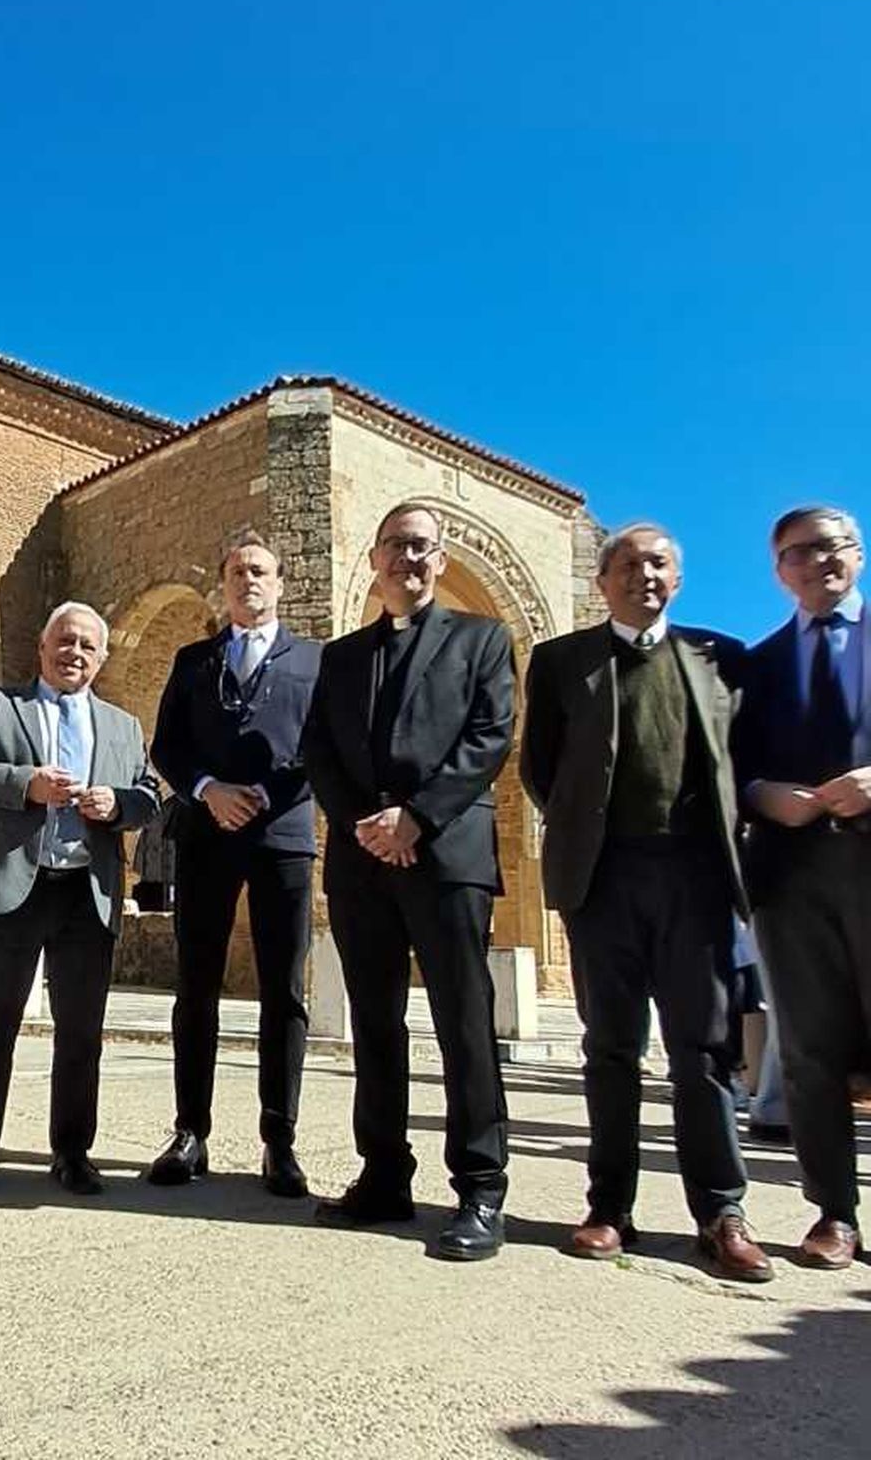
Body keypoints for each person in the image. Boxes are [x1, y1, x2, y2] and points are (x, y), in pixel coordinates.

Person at [521, 524, 772, 1281]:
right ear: (602, 583)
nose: (644, 575)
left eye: (658, 562)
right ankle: (609, 1208)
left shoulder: (721, 657)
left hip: (695, 881)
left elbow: (744, 765)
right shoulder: (562, 662)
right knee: (611, 1050)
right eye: (627, 565)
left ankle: (721, 1212)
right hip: (605, 883)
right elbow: (541, 770)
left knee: (703, 1052)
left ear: (679, 576)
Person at [301, 503, 514, 1260]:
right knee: (376, 1023)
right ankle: (384, 1174)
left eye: (421, 547)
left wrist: (415, 818)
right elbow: (318, 747)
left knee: (464, 1021)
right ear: (374, 560)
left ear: (441, 557)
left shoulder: (482, 640)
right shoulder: (342, 655)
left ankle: (481, 1189)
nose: (408, 560)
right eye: (395, 546)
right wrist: (367, 822)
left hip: (448, 854)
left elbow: (490, 736)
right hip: (364, 861)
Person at [0, 602, 158, 1194]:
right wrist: (24, 784)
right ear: (42, 648)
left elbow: (147, 793)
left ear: (102, 658)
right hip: (14, 887)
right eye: (65, 641)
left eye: (88, 646)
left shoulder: (121, 726)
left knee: (82, 1032)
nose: (75, 653)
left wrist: (118, 805)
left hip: (87, 894)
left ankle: (71, 1153)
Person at [148, 533, 322, 1195]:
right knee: (196, 984)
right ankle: (190, 1132)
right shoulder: (193, 660)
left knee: (284, 991)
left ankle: (280, 1141)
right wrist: (207, 792)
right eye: (236, 572)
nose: (248, 580)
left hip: (282, 836)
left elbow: (319, 747)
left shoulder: (314, 661)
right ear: (223, 585)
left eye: (260, 571)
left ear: (279, 583)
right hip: (207, 834)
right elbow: (168, 745)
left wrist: (263, 797)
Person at [736, 504, 871, 1271]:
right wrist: (764, 795)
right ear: (779, 570)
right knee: (813, 1049)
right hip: (793, 876)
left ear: (857, 554)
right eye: (798, 553)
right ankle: (834, 1213)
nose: (817, 562)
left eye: (831, 547)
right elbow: (734, 769)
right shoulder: (760, 664)